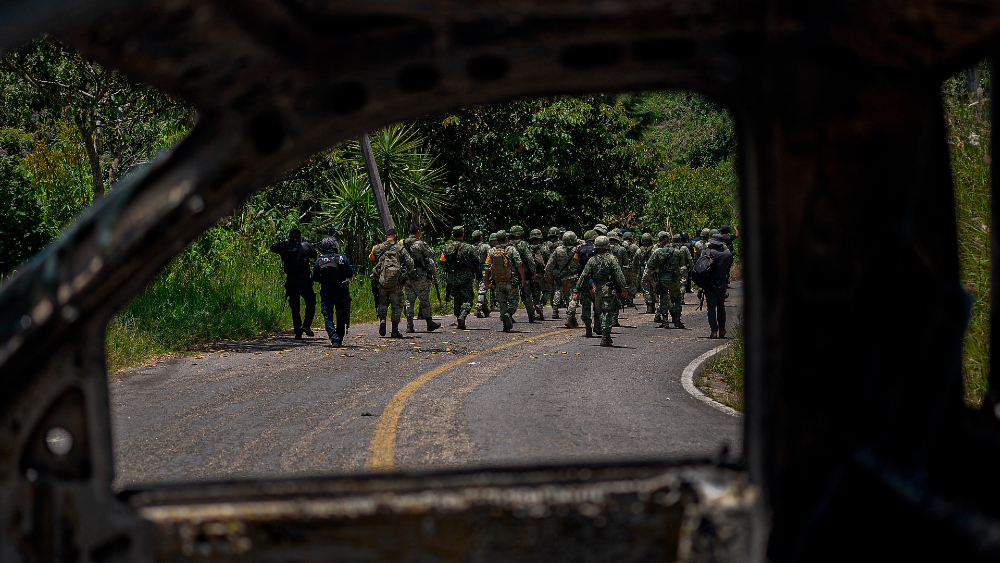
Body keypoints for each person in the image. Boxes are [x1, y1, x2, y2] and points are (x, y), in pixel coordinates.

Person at [574, 235, 628, 347]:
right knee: (608, 313)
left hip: (597, 291)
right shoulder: (612, 259)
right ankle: (605, 336)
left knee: (601, 312)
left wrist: (576, 290)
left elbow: (583, 276)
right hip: (608, 290)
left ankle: (604, 335)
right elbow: (619, 275)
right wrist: (624, 289)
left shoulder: (592, 260)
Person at [270, 228, 317, 339]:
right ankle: (306, 325)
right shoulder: (305, 246)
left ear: (289, 238)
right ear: (300, 238)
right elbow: (314, 254)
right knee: (311, 301)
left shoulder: (284, 246)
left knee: (295, 306)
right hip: (304, 279)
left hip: (291, 280)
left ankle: (298, 331)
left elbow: (273, 247)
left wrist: (287, 244)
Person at [369, 227, 413, 338]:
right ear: (396, 236)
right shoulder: (400, 249)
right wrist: (402, 275)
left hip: (382, 282)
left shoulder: (377, 248)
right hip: (396, 284)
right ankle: (394, 330)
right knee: (397, 306)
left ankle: (383, 319)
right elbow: (410, 264)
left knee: (383, 303)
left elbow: (372, 259)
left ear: (385, 237)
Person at [312, 237, 354, 346]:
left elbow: (314, 277)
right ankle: (339, 337)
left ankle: (333, 336)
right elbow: (350, 273)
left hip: (326, 292)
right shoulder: (342, 258)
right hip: (341, 291)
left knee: (328, 315)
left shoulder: (320, 260)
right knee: (341, 314)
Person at [439, 225, 481, 329]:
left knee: (456, 297)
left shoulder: (447, 247)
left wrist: (448, 270)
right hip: (466, 276)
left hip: (452, 276)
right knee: (468, 297)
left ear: (453, 235)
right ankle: (463, 314)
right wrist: (478, 276)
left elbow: (441, 262)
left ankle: (458, 317)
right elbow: (477, 262)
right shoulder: (468, 247)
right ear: (463, 235)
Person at [643, 231, 688, 329]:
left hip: (662, 279)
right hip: (674, 279)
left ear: (661, 242)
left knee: (663, 299)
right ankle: (677, 319)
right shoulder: (677, 252)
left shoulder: (658, 252)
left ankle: (665, 321)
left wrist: (644, 278)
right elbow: (683, 266)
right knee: (676, 299)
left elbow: (650, 266)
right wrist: (682, 277)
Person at [402, 224, 441, 333]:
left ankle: (409, 325)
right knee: (424, 300)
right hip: (420, 277)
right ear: (418, 231)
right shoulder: (420, 244)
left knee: (409, 300)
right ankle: (429, 323)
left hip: (408, 276)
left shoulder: (402, 243)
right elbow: (431, 254)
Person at [483, 230, 525, 332]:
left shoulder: (492, 251)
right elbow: (519, 265)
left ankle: (505, 325)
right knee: (514, 300)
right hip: (511, 280)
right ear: (506, 238)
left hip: (498, 281)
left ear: (497, 240)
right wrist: (522, 278)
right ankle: (509, 313)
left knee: (502, 303)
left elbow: (487, 267)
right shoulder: (512, 249)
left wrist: (487, 281)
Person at [566, 230, 598, 335]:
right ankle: (597, 325)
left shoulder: (580, 249)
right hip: (596, 282)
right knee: (598, 305)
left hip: (583, 280)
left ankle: (588, 327)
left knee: (585, 305)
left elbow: (575, 263)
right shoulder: (598, 249)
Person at [703, 233, 734, 338]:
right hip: (721, 283)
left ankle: (713, 331)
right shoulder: (727, 254)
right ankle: (722, 330)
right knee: (721, 306)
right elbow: (728, 265)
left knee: (711, 307)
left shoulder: (707, 252)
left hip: (709, 283)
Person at [545, 230, 578, 321]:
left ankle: (571, 317)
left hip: (563, 278)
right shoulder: (577, 250)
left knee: (567, 297)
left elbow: (550, 265)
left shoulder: (558, 250)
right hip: (575, 277)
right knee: (574, 298)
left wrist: (547, 275)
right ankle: (570, 316)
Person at [508, 225, 538, 322]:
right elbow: (530, 259)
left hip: (510, 273)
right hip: (524, 272)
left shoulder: (508, 245)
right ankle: (531, 316)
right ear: (520, 234)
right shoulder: (523, 244)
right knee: (527, 294)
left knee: (511, 295)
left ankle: (509, 314)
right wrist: (533, 271)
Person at [528, 229, 552, 317]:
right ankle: (541, 305)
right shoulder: (544, 248)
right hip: (543, 274)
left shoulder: (528, 248)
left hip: (533, 275)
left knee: (536, 294)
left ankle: (538, 312)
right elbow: (550, 261)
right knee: (548, 291)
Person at [473, 230, 493, 318]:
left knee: (480, 289)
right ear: (481, 237)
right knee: (482, 290)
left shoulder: (470, 247)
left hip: (474, 271)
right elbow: (491, 256)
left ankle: (485, 309)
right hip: (484, 270)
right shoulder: (485, 246)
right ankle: (478, 308)